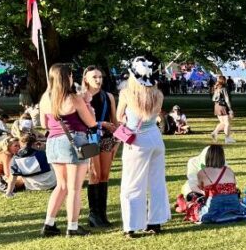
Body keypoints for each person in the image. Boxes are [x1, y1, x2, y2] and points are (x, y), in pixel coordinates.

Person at [39, 63, 99, 237]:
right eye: (71, 75)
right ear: (67, 77)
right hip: (74, 141)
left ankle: (49, 223)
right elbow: (91, 122)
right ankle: (72, 226)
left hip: (53, 142)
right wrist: (87, 102)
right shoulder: (74, 98)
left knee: (62, 186)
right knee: (74, 188)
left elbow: (44, 124)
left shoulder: (45, 98)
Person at [117, 57, 170, 238]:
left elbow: (118, 117)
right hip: (155, 138)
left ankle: (131, 225)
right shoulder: (158, 95)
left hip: (137, 140)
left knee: (132, 184)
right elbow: (155, 116)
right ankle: (156, 222)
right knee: (156, 182)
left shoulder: (126, 94)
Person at [81, 66, 118, 228]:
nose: (98, 80)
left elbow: (115, 121)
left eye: (100, 77)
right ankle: (93, 214)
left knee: (104, 175)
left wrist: (118, 140)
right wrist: (100, 124)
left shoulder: (108, 96)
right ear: (86, 79)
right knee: (94, 175)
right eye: (94, 77)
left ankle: (102, 214)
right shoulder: (80, 97)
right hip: (88, 139)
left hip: (107, 139)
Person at [209, 76, 235, 144]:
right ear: (224, 81)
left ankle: (214, 132)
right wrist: (230, 109)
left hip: (216, 106)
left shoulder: (216, 88)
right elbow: (227, 100)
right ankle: (227, 138)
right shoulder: (224, 89)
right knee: (227, 123)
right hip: (223, 106)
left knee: (222, 123)